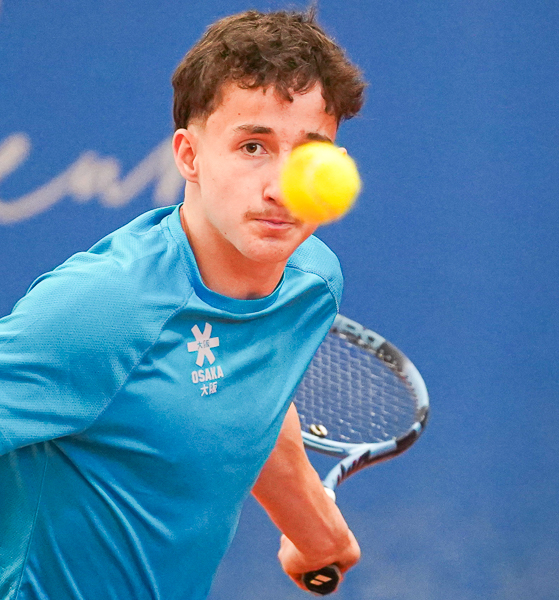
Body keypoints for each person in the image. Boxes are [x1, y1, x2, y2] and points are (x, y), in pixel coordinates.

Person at [0, 8, 366, 599]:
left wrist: (320, 537)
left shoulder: (311, 284)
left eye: (308, 154)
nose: (279, 187)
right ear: (189, 156)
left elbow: (256, 407)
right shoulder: (102, 310)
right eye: (253, 146)